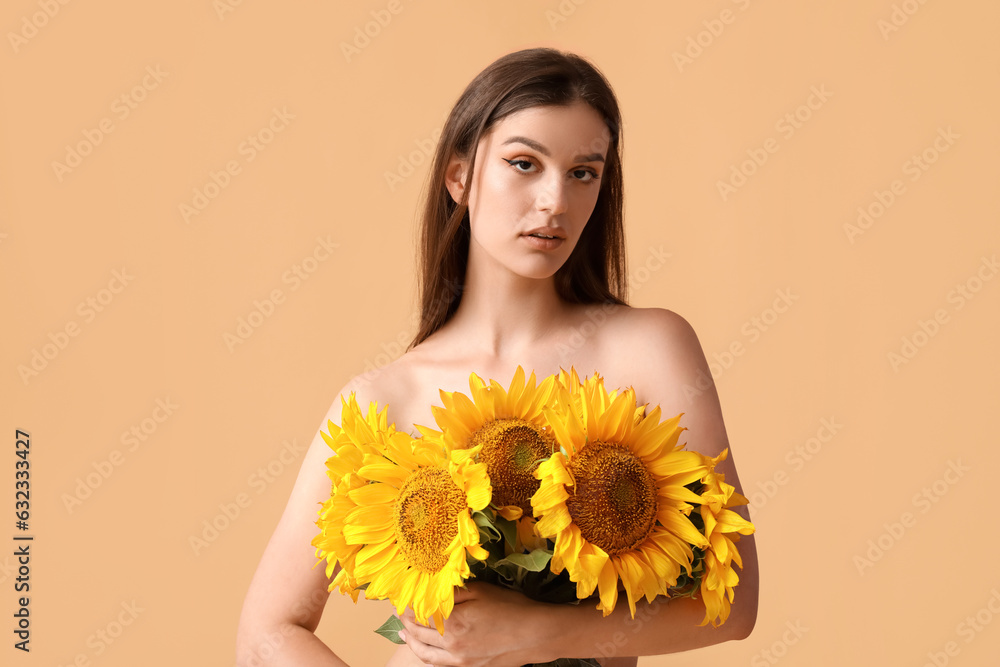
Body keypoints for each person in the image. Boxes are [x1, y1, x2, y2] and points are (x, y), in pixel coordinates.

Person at [236, 47, 758, 667]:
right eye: (523, 163)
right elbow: (267, 633)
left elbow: (733, 603)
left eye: (583, 172)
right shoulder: (383, 399)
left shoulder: (649, 350)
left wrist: (539, 630)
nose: (554, 201)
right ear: (459, 177)